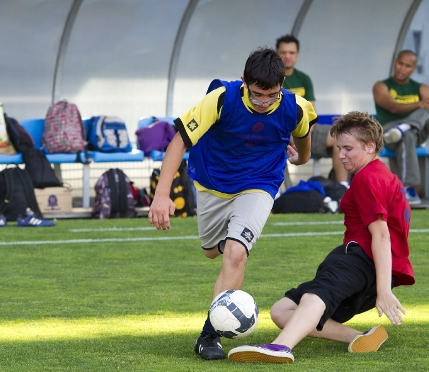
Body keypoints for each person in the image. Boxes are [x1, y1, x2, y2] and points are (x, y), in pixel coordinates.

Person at [148, 47, 317, 360]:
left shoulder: (296, 107)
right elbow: (179, 141)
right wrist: (161, 194)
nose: (263, 102)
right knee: (212, 251)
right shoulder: (221, 98)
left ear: (282, 85)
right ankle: (226, 243)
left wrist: (298, 156)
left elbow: (305, 149)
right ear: (244, 82)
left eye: (271, 95)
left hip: (260, 184)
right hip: (212, 184)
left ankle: (209, 336)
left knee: (236, 254)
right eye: (256, 95)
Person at [228, 111, 414, 364]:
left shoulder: (367, 178)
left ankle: (280, 347)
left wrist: (383, 290)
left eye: (348, 148)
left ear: (371, 146)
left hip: (359, 257)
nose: (340, 155)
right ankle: (360, 337)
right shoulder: (386, 177)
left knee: (315, 296)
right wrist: (383, 284)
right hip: (380, 270)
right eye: (338, 148)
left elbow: (380, 234)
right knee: (282, 311)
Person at [276, 34, 350, 187]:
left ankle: (343, 187)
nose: (287, 56)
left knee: (341, 137)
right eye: (283, 52)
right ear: (277, 54)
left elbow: (311, 112)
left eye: (291, 53)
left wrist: (304, 134)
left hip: (307, 131)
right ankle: (275, 193)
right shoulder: (271, 78)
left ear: (297, 55)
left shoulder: (304, 79)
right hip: (280, 132)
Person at [373, 49, 429, 204]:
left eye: (407, 66)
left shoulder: (422, 88)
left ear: (414, 68)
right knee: (408, 135)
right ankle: (409, 187)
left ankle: (406, 127)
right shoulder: (381, 86)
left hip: (418, 132)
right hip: (389, 132)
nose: (402, 69)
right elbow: (391, 106)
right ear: (395, 62)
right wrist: (420, 104)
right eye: (400, 64)